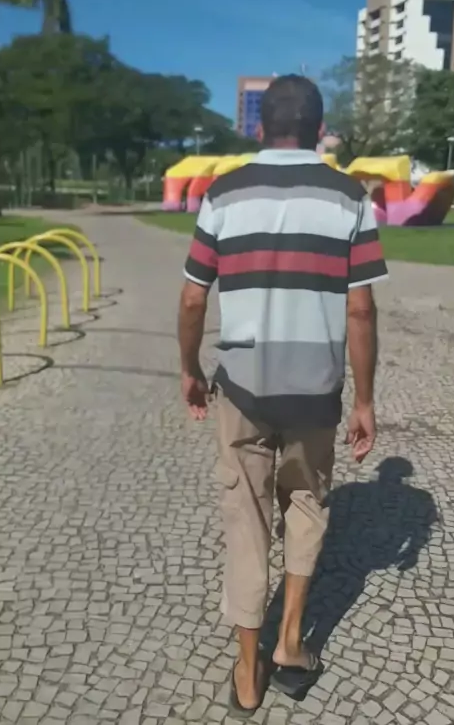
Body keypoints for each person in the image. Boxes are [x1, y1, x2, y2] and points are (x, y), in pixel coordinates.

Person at [177, 75, 388, 716]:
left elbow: (193, 298)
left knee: (246, 520)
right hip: (315, 393)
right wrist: (365, 401)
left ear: (259, 126)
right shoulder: (350, 197)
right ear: (319, 129)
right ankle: (292, 643)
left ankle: (248, 671)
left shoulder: (223, 194)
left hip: (242, 389)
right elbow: (361, 311)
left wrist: (189, 368)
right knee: (306, 505)